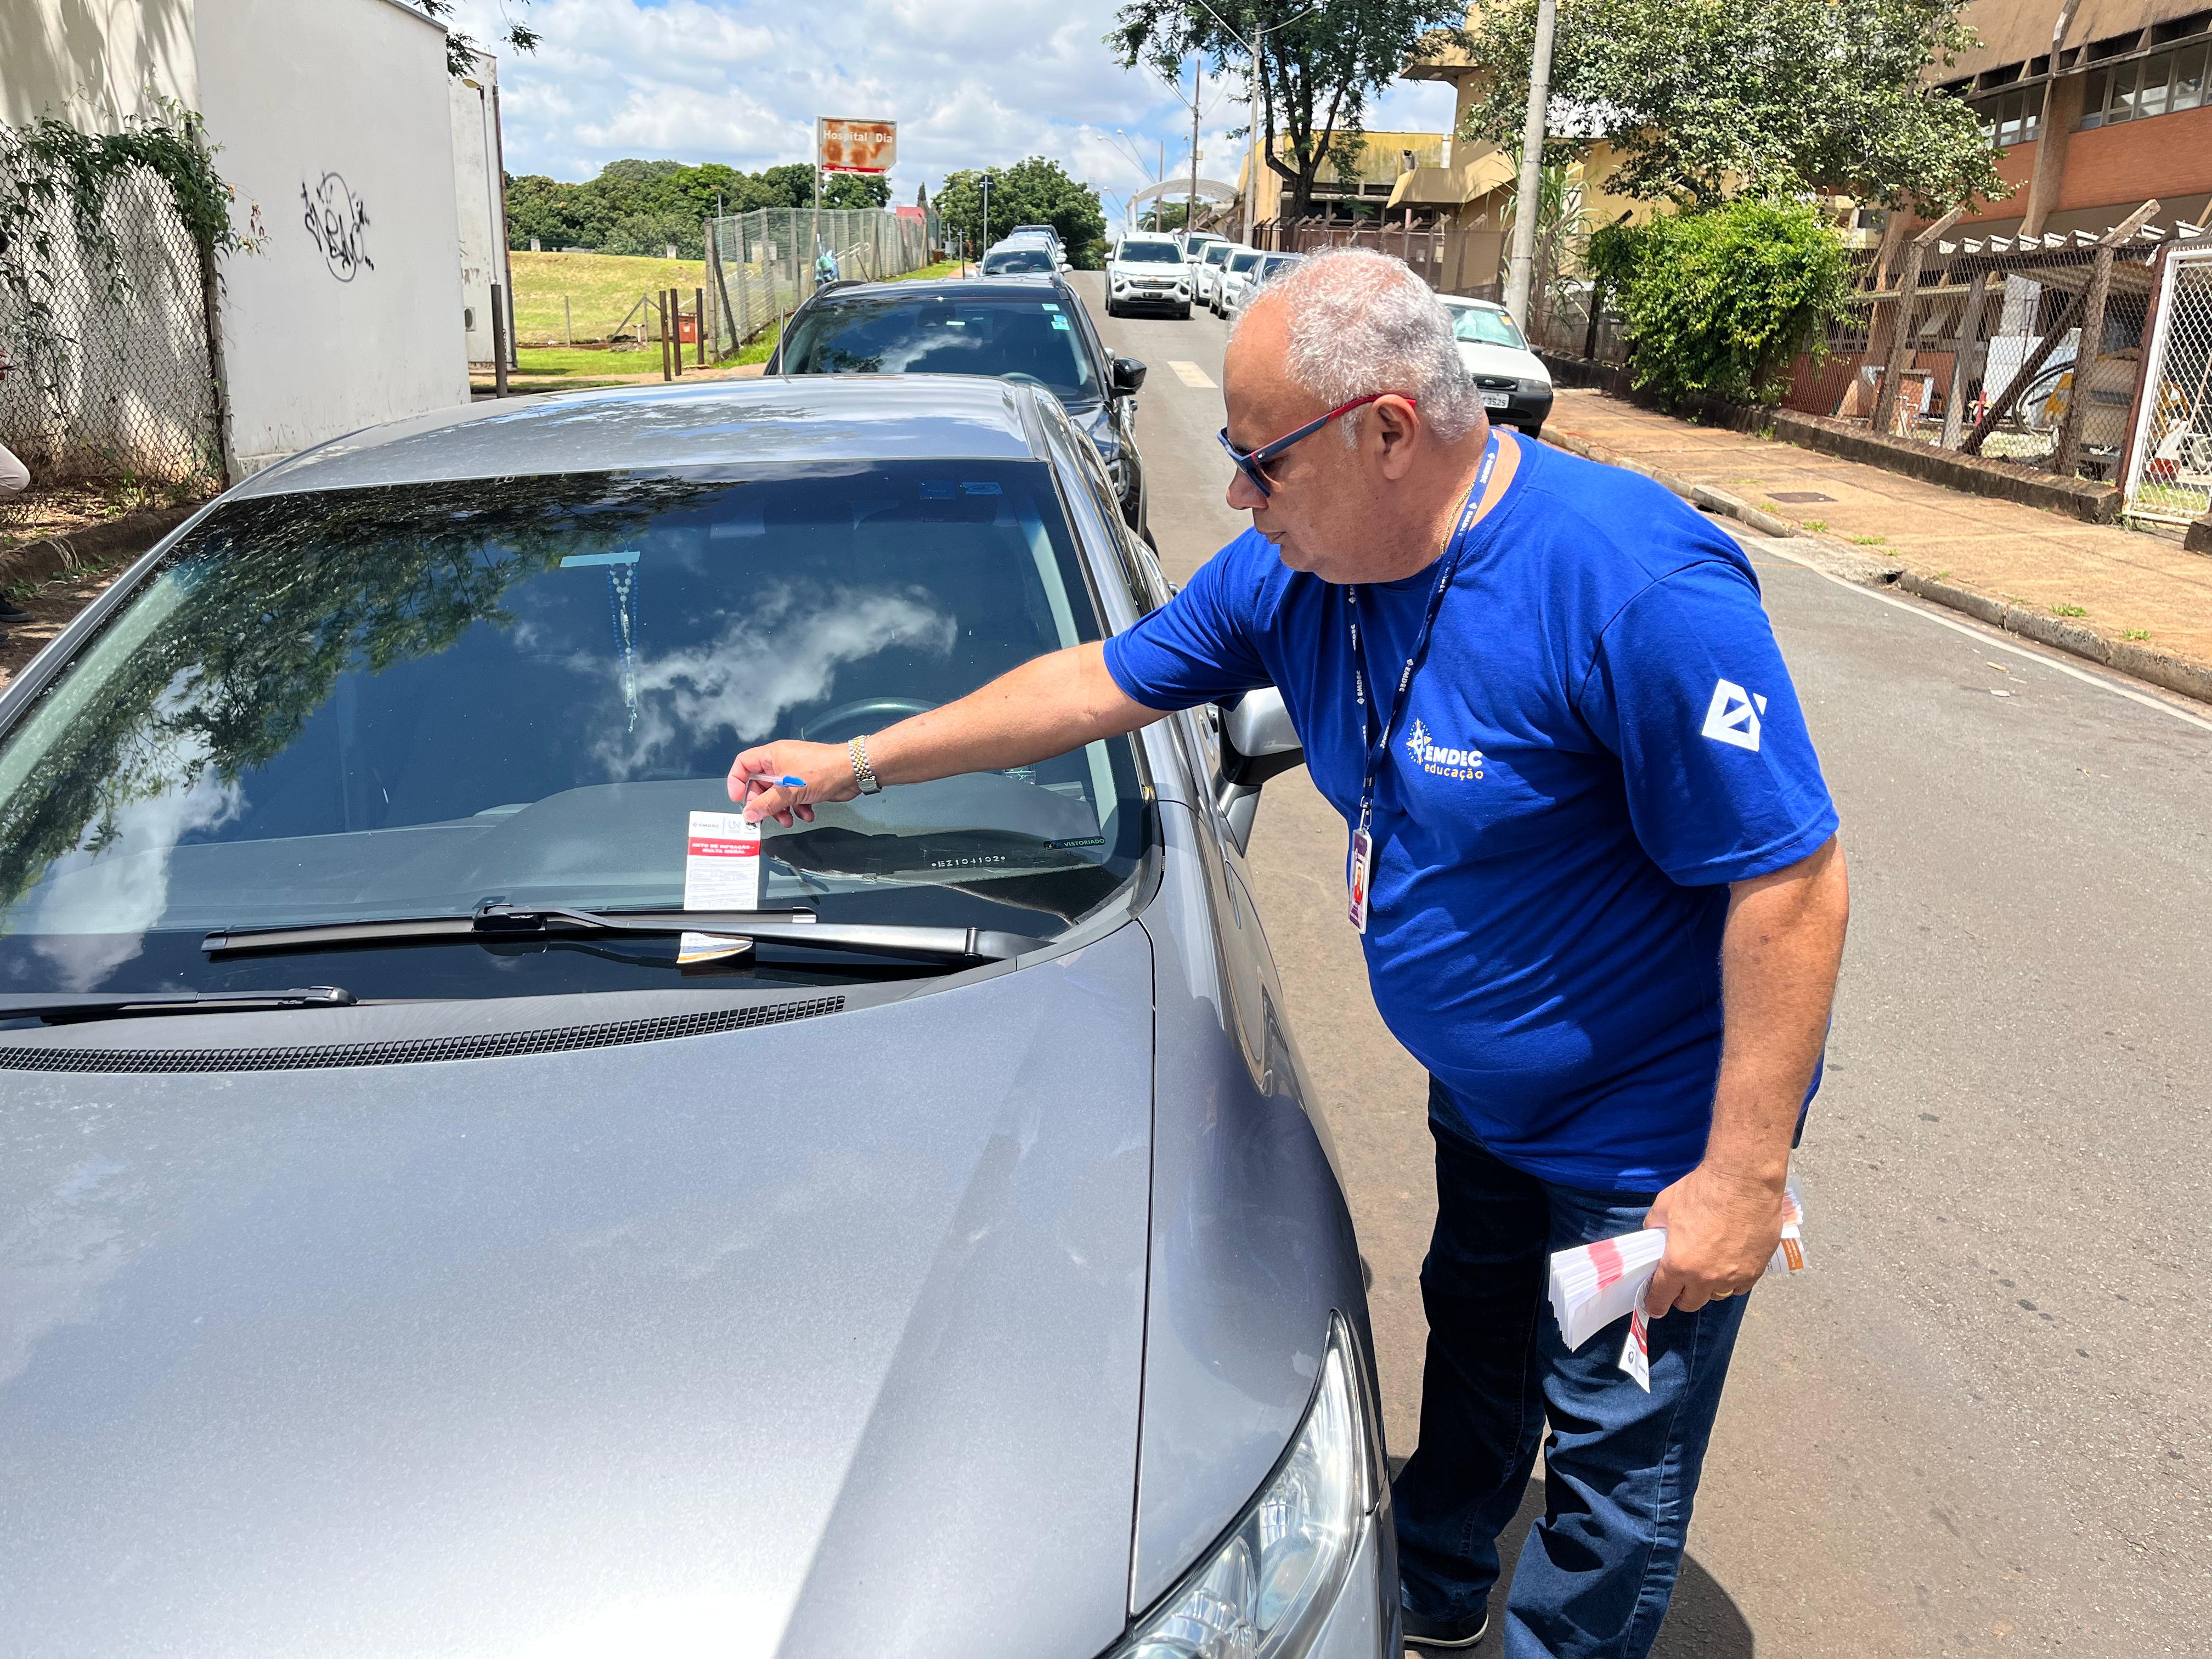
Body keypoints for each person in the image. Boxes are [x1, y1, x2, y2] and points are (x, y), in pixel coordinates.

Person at [727, 249, 1849, 1658]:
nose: (1242, 501)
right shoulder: (1299, 577)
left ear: (1389, 430)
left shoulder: (1630, 586)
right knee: (1479, 1338)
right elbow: (1101, 681)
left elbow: (1791, 878)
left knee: (1613, 1481)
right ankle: (1438, 1586)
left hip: (1647, 1136)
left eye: (1262, 463)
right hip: (1492, 1105)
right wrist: (862, 761)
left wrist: (1739, 1181)